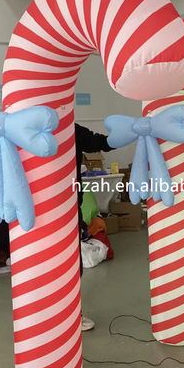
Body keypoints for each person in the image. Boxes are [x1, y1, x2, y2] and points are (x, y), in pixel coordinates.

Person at [74, 123, 114, 331]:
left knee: (72, 267)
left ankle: (72, 315)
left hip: (69, 210)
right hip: (39, 213)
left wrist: (128, 133)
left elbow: (100, 142)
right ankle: (47, 317)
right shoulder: (24, 126)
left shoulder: (70, 129)